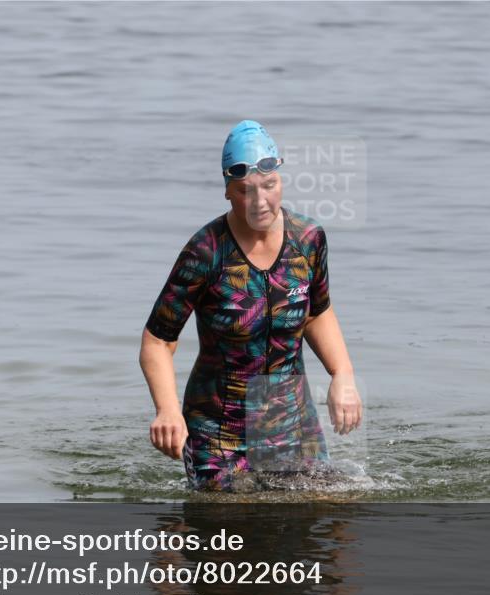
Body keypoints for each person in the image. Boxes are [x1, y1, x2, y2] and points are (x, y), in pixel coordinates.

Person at [139, 120, 361, 492]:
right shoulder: (205, 252)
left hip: (292, 423)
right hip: (220, 429)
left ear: (281, 180)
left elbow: (318, 311)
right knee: (232, 529)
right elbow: (157, 342)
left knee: (334, 513)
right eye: (245, 191)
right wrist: (167, 410)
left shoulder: (308, 239)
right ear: (227, 190)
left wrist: (343, 375)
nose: (260, 202)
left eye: (269, 187)